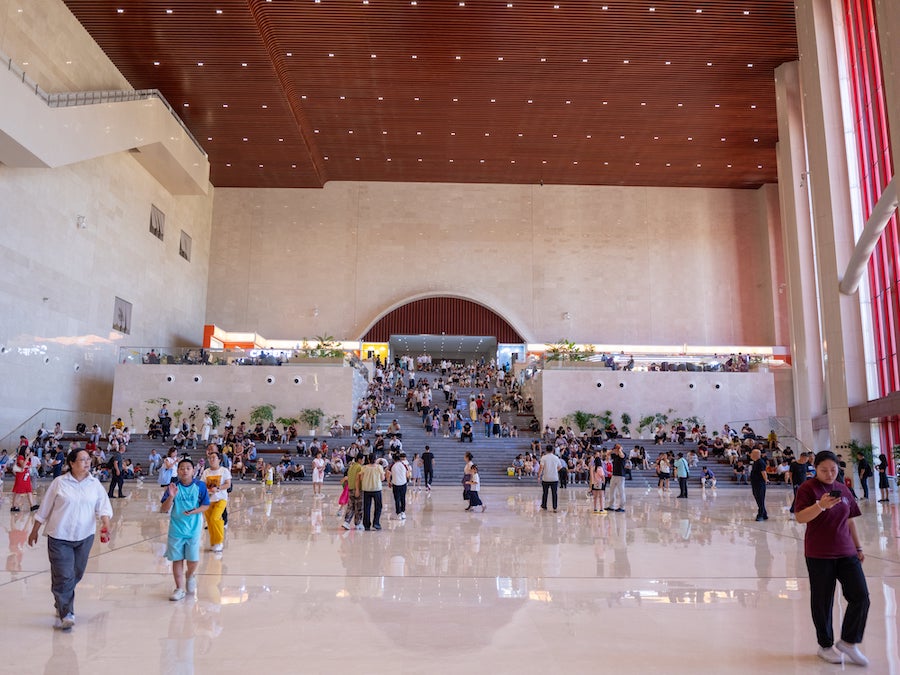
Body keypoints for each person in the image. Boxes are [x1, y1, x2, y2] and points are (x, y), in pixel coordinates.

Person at [795, 451, 870, 666]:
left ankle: (849, 642)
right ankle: (825, 645)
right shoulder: (807, 488)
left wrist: (858, 547)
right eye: (824, 470)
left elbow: (850, 520)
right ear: (815, 469)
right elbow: (800, 517)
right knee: (822, 601)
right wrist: (821, 505)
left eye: (833, 470)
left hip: (846, 552)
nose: (829, 474)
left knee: (860, 596)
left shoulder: (843, 488)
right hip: (819, 554)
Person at [28, 448, 112, 630]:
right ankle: (67, 613)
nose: (87, 462)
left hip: (85, 536)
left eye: (88, 459)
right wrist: (34, 530)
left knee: (76, 573)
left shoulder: (94, 484)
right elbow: (44, 508)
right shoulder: (59, 483)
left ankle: (60, 596)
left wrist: (106, 525)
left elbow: (103, 507)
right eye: (82, 460)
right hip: (59, 536)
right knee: (64, 575)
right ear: (72, 463)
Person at [160, 458, 210, 601]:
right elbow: (163, 509)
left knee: (193, 559)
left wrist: (195, 511)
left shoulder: (200, 486)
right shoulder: (173, 487)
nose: (185, 471)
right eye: (182, 468)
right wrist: (171, 497)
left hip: (193, 529)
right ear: (177, 471)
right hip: (176, 529)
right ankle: (179, 588)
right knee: (177, 559)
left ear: (193, 471)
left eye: (188, 468)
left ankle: (190, 574)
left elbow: (205, 505)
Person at [200, 449, 231, 553]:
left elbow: (228, 484)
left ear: (219, 460)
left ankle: (219, 541)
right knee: (210, 522)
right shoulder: (206, 472)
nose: (212, 460)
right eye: (210, 458)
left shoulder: (224, 471)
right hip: (208, 500)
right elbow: (202, 484)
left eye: (214, 458)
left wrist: (218, 488)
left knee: (215, 518)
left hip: (221, 499)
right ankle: (213, 542)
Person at [360, 454, 385, 531]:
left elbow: (361, 478)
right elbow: (382, 478)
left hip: (366, 489)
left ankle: (366, 525)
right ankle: (376, 523)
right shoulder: (379, 467)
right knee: (378, 506)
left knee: (367, 507)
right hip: (376, 489)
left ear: (368, 459)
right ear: (376, 459)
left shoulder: (364, 467)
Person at [341, 455, 364, 531]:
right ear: (359, 459)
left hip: (350, 489)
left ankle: (346, 522)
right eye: (363, 459)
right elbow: (358, 479)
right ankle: (357, 523)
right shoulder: (360, 467)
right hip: (358, 489)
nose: (363, 461)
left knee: (350, 506)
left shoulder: (351, 467)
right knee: (358, 507)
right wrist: (357, 489)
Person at [537, 447, 562, 512]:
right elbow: (560, 467)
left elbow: (541, 467)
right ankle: (554, 507)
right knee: (554, 493)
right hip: (554, 478)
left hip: (546, 478)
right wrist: (555, 471)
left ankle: (544, 506)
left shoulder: (543, 457)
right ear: (553, 450)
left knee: (545, 493)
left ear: (546, 450)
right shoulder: (556, 458)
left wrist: (539, 476)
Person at [389, 452, 410, 520]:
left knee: (397, 499)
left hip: (395, 484)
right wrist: (407, 479)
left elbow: (388, 473)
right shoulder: (404, 465)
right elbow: (408, 474)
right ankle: (403, 512)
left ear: (394, 459)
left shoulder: (392, 466)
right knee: (403, 498)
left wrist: (389, 481)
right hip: (403, 483)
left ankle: (398, 513)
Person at [749, 448, 769, 521]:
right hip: (755, 483)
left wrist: (766, 480)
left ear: (756, 454)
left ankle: (760, 515)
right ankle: (764, 514)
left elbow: (763, 472)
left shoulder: (760, 462)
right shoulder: (756, 462)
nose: (750, 455)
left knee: (760, 499)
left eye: (752, 453)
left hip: (759, 483)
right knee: (758, 498)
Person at [607, 444, 626, 512]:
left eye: (615, 449)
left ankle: (622, 507)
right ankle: (611, 506)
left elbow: (622, 456)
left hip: (620, 475)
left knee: (621, 491)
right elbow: (607, 453)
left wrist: (620, 449)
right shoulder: (614, 455)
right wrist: (613, 450)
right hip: (614, 475)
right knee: (611, 491)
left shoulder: (623, 454)